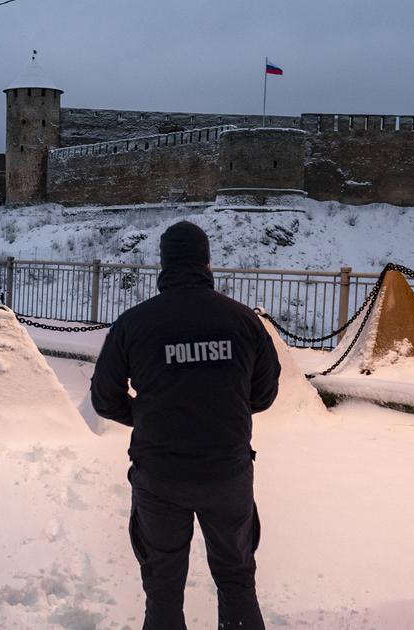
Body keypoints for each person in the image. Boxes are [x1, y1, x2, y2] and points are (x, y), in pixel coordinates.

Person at [91, 220, 280, 630]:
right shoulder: (243, 321)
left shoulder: (134, 324)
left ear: (163, 264)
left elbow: (104, 399)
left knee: (162, 586)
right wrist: (221, 412)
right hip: (227, 471)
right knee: (236, 578)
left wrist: (148, 416)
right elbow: (265, 393)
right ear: (206, 262)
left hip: (160, 474)